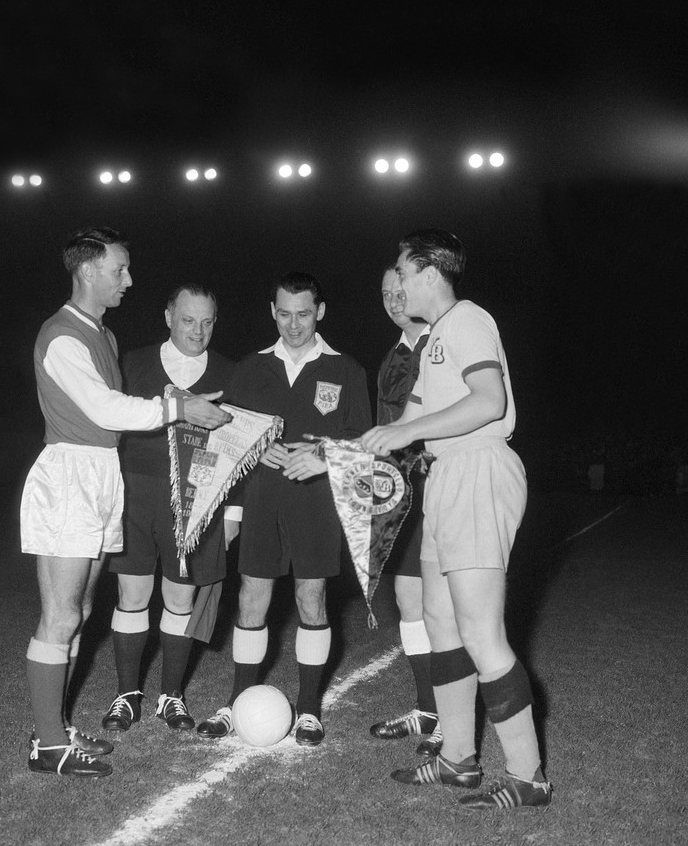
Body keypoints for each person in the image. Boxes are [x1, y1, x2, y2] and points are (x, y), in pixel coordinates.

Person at [20, 228, 232, 778]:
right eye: (120, 270)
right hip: (70, 474)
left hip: (100, 474)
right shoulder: (62, 335)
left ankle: (55, 729)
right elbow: (104, 408)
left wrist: (175, 406)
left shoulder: (104, 337)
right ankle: (48, 745)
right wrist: (177, 407)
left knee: (83, 610)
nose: (128, 280)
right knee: (61, 614)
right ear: (88, 271)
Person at [360, 229, 552, 809]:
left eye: (401, 269)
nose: (395, 281)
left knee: (480, 632)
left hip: (477, 468)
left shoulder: (468, 319)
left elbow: (489, 401)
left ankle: (528, 776)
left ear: (426, 269)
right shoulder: (436, 338)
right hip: (444, 476)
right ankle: (458, 761)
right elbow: (410, 416)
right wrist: (329, 453)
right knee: (441, 622)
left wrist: (407, 431)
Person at [196, 272, 371, 746]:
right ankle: (237, 702)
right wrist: (256, 449)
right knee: (252, 597)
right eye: (285, 314)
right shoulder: (251, 367)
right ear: (272, 312)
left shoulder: (346, 369)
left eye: (305, 313)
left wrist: (321, 457)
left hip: (318, 504)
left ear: (321, 312)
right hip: (262, 501)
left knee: (310, 599)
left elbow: (363, 443)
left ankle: (310, 708)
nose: (295, 325)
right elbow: (228, 437)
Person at [101, 285, 239, 734]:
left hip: (196, 499)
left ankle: (170, 696)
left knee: (180, 598)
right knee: (132, 596)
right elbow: (109, 425)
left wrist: (232, 513)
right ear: (167, 317)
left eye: (207, 321)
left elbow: (237, 450)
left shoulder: (229, 372)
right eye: (187, 320)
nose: (198, 331)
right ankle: (127, 695)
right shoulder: (133, 363)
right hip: (135, 493)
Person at [367, 267, 442, 759]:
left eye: (402, 291)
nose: (395, 301)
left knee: (447, 607)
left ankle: (452, 721)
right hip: (400, 490)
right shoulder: (393, 355)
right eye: (386, 294)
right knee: (408, 595)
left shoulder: (444, 342)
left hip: (442, 484)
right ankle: (429, 709)